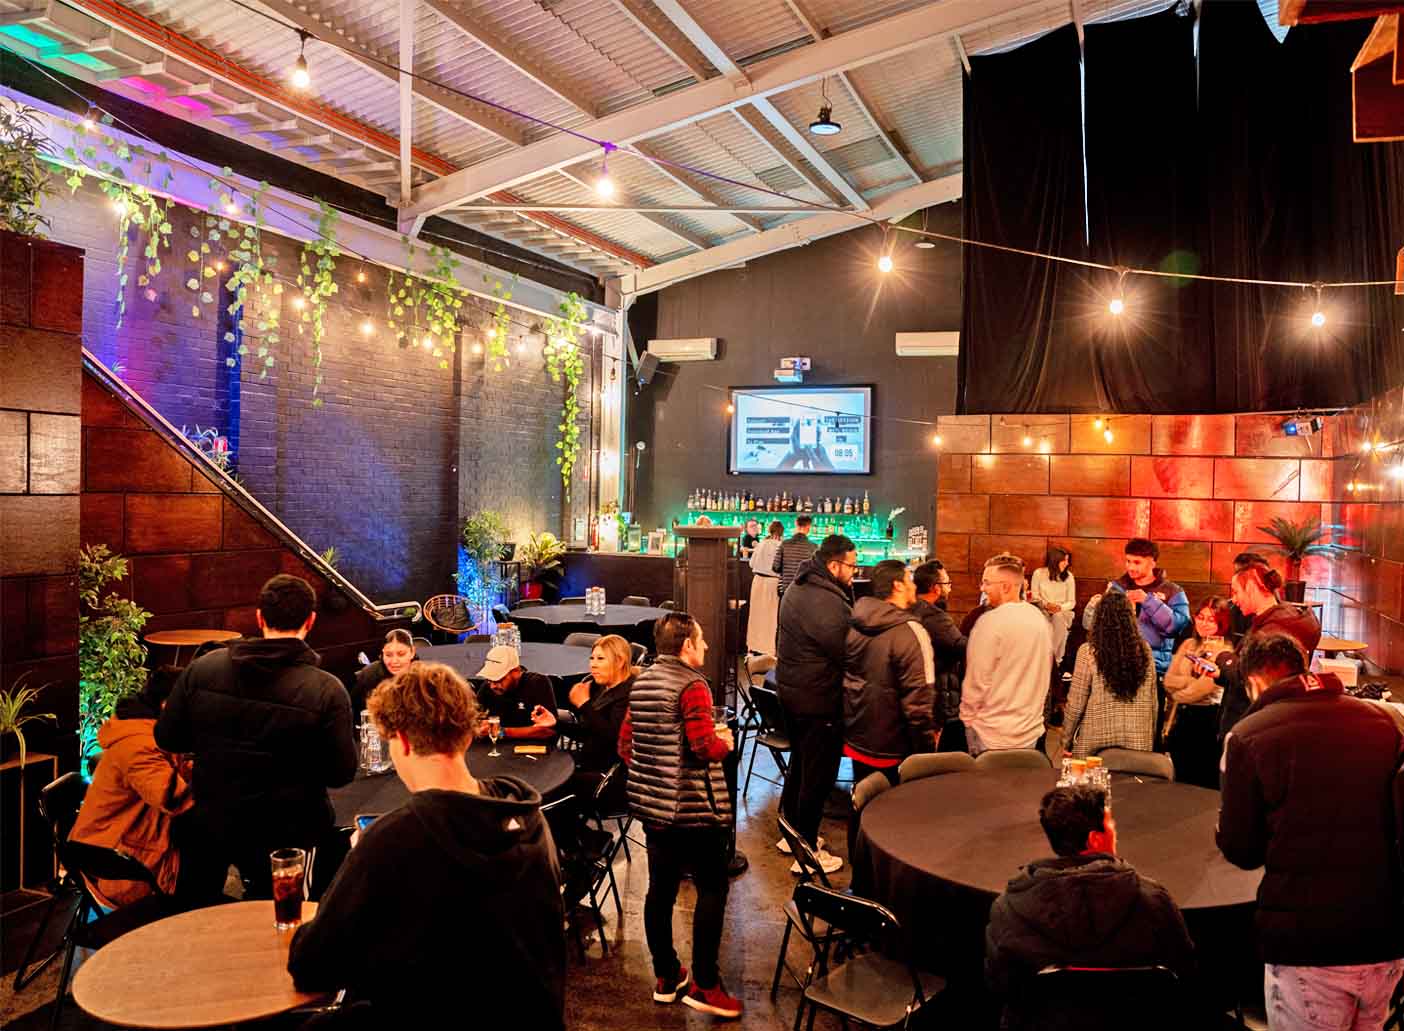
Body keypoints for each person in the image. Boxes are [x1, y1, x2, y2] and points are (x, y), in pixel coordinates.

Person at [288, 662, 565, 1029]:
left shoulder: (390, 841)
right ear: (466, 736)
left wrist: (357, 862)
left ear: (401, 741)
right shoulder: (527, 817)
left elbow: (312, 966)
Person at [1217, 633, 1404, 1031]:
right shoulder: (1386, 722)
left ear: (1255, 681)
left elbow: (1241, 849)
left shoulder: (1250, 736)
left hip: (1308, 941)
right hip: (1386, 937)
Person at [154, 574, 357, 901]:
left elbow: (168, 737)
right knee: (281, 918)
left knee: (196, 913)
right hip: (290, 832)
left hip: (212, 819)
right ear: (311, 620)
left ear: (259, 617)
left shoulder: (203, 668)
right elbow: (340, 773)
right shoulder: (326, 690)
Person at [986, 785, 1195, 1031]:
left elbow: (1000, 984)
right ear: (1095, 839)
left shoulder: (1008, 909)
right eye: (1111, 823)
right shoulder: (1154, 901)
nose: (1115, 829)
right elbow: (1185, 971)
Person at [617, 612, 742, 1019]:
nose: (706, 646)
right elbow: (704, 747)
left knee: (660, 892)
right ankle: (706, 984)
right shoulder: (693, 685)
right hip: (695, 812)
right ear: (686, 645)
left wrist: (657, 771)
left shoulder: (641, 682)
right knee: (712, 888)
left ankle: (667, 976)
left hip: (654, 811)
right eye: (701, 640)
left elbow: (625, 745)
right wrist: (725, 743)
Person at [71, 667, 193, 909]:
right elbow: (172, 798)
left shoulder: (151, 731)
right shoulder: (139, 744)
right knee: (213, 851)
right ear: (167, 705)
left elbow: (175, 770)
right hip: (116, 858)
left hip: (133, 837)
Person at [774, 534, 857, 874]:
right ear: (834, 565)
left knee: (800, 766)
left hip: (792, 693)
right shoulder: (826, 601)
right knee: (818, 776)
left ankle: (791, 833)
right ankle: (807, 853)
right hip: (818, 698)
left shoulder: (801, 586)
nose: (854, 572)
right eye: (852, 566)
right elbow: (848, 651)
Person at [842, 560, 937, 785]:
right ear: (898, 586)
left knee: (864, 796)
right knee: (894, 803)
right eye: (909, 580)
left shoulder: (856, 623)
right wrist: (926, 750)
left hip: (857, 735)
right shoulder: (910, 632)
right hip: (894, 745)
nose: (914, 586)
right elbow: (919, 699)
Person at [1217, 563, 1322, 740]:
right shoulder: (1282, 618)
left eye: (1235, 592)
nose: (1233, 600)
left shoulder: (1271, 630)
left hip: (1253, 724)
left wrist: (1223, 658)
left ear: (1251, 588)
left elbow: (1249, 673)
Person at [529, 635, 636, 809]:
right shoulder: (602, 687)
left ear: (620, 661)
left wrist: (585, 705)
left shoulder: (631, 694)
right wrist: (555, 723)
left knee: (548, 785)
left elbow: (613, 740)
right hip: (590, 762)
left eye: (600, 659)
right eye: (592, 658)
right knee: (541, 768)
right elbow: (589, 733)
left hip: (612, 777)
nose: (593, 664)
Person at [961, 555, 1052, 755]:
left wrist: (967, 719)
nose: (982, 588)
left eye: (987, 582)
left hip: (990, 732)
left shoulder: (990, 622)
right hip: (1029, 730)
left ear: (1005, 587)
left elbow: (977, 681)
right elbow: (1045, 675)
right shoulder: (1039, 620)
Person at [1060, 591, 1157, 759]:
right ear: (1131, 619)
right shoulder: (1145, 650)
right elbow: (1153, 701)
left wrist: (1066, 740)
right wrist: (1150, 738)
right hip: (1138, 744)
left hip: (1094, 745)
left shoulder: (1088, 652)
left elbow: (1076, 704)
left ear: (1099, 619)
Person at [1162, 596, 1232, 788]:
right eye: (1200, 617)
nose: (1204, 623)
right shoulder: (1188, 644)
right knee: (1179, 779)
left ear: (1221, 623)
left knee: (1200, 781)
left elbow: (1202, 690)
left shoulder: (1224, 651)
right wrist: (1190, 681)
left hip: (1207, 721)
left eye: (1211, 619)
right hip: (1181, 718)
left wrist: (1179, 691)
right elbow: (1168, 680)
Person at [1105, 538, 1189, 679]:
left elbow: (1178, 627)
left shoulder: (1173, 591)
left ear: (1152, 562)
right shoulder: (1116, 588)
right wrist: (1096, 606)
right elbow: (1101, 627)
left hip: (1155, 666)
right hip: (1117, 663)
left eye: (1137, 562)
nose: (1131, 567)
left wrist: (1148, 601)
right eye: (1128, 561)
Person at [911, 560, 967, 752]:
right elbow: (962, 647)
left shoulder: (911, 609)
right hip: (938, 696)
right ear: (936, 588)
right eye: (947, 583)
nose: (950, 588)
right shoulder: (935, 617)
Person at [472, 645, 557, 741]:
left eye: (499, 680)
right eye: (489, 680)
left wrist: (501, 732)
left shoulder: (537, 683)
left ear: (516, 672)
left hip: (532, 746)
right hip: (495, 746)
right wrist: (480, 726)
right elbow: (473, 720)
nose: (492, 686)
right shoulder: (487, 687)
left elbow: (548, 731)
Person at [349, 628, 416, 715]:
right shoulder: (369, 675)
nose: (394, 661)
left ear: (412, 652)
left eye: (401, 654)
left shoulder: (424, 674)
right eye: (388, 655)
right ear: (382, 654)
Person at [1031, 545, 1077, 666]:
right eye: (1064, 560)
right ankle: (1047, 658)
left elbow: (1072, 602)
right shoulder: (1038, 573)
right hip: (1043, 610)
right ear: (1055, 560)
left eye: (1067, 560)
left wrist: (1059, 607)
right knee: (1044, 620)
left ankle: (1053, 659)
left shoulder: (1069, 577)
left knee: (1058, 617)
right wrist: (1046, 605)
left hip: (1062, 611)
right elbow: (1035, 596)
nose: (1067, 563)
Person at [746, 520, 785, 656]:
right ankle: (768, 650)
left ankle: (753, 647)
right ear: (781, 532)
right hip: (773, 583)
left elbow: (751, 564)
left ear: (770, 530)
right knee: (770, 618)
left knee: (755, 616)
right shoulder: (781, 546)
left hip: (758, 581)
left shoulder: (761, 543)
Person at [772, 514, 818, 597]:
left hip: (787, 589)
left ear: (796, 524)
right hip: (805, 590)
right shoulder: (814, 547)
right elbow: (816, 571)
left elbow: (775, 567)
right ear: (809, 527)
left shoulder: (785, 544)